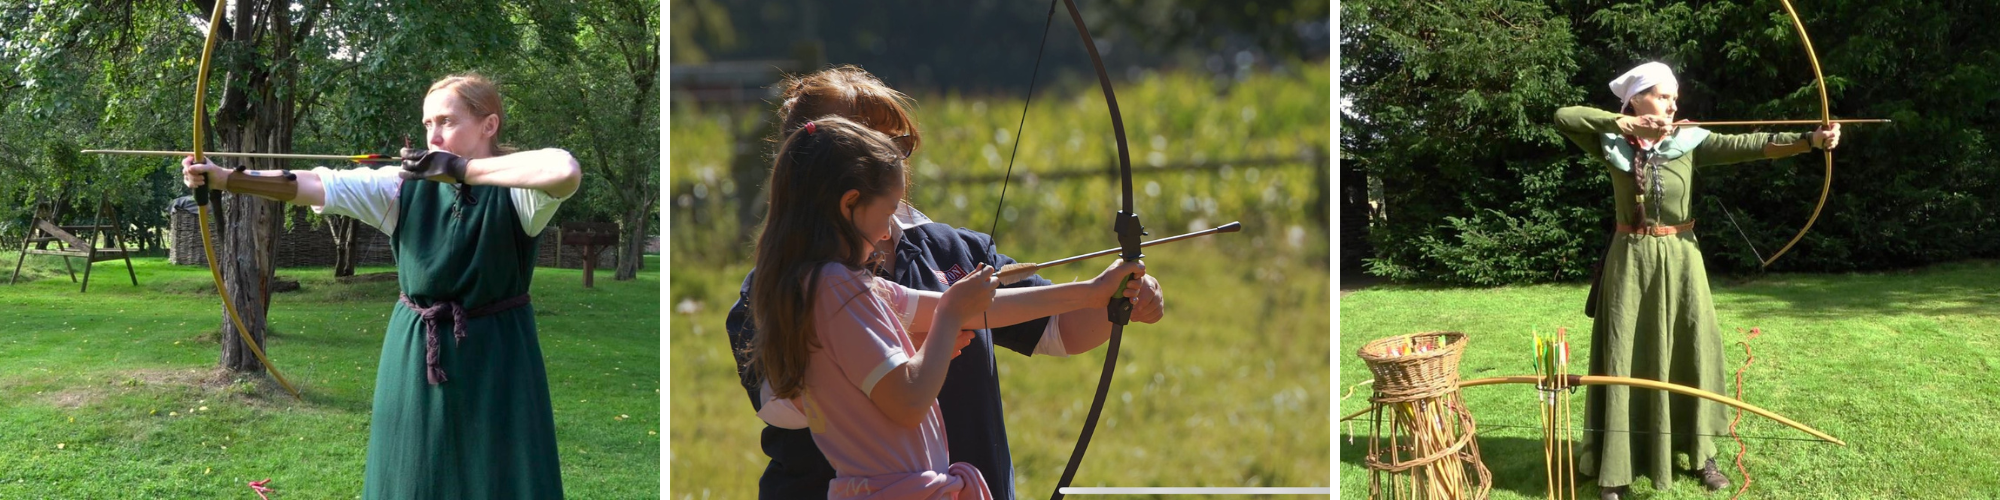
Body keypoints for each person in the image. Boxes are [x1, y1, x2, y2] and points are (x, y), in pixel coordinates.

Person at [726, 66, 1167, 500]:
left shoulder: (947, 252)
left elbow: (1034, 322)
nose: (885, 155)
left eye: (892, 143)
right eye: (864, 141)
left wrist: (1102, 295)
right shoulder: (786, 290)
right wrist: (927, 341)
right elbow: (795, 405)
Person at [181, 73, 582, 499]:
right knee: (412, 471)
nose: (434, 135)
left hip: (498, 351)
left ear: (489, 125)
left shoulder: (521, 194)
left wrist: (463, 170)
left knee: (499, 470)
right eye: (428, 124)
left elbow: (564, 169)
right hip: (415, 347)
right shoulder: (401, 186)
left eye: (446, 121)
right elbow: (315, 183)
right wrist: (226, 179)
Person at [1553, 62, 1840, 500]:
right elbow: (1563, 117)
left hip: (1683, 260)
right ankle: (1615, 468)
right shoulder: (1611, 139)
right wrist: (1622, 122)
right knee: (1623, 355)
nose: (1673, 105)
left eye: (1674, 98)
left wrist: (1809, 141)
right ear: (1637, 98)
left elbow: (1750, 144)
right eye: (1664, 96)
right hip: (1630, 261)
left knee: (1694, 348)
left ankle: (1701, 453)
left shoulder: (1686, 141)